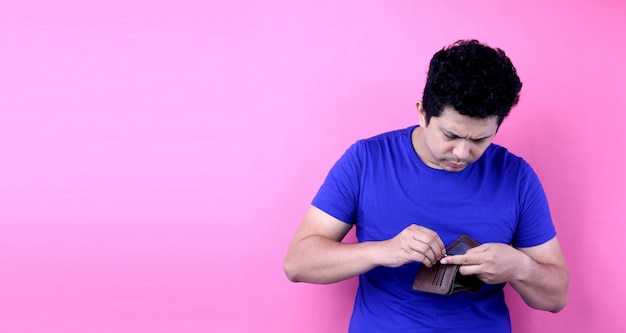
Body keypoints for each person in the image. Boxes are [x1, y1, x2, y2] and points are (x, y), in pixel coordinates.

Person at [283, 39, 569, 332]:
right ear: (422, 112)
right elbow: (298, 263)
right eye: (450, 135)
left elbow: (556, 297)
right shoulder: (366, 160)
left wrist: (521, 268)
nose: (462, 153)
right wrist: (381, 251)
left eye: (480, 140)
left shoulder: (517, 177)